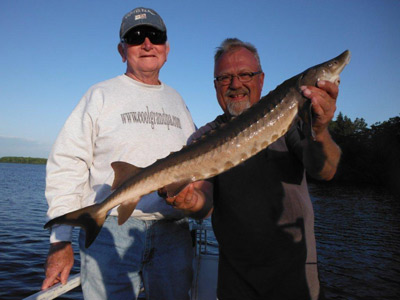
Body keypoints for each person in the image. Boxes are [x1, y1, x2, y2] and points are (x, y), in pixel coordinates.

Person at [165, 38, 342, 299]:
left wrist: (321, 128)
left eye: (245, 74)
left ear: (261, 79)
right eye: (224, 78)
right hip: (236, 279)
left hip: (296, 274)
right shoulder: (203, 138)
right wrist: (190, 201)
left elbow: (325, 170)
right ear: (215, 86)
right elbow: (204, 201)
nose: (235, 85)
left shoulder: (293, 120)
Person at [42, 7, 196, 300]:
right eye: (136, 37)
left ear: (167, 47)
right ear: (122, 49)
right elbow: (67, 163)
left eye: (156, 36)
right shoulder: (100, 95)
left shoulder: (179, 101)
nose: (147, 43)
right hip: (110, 230)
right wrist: (60, 241)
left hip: (174, 233)